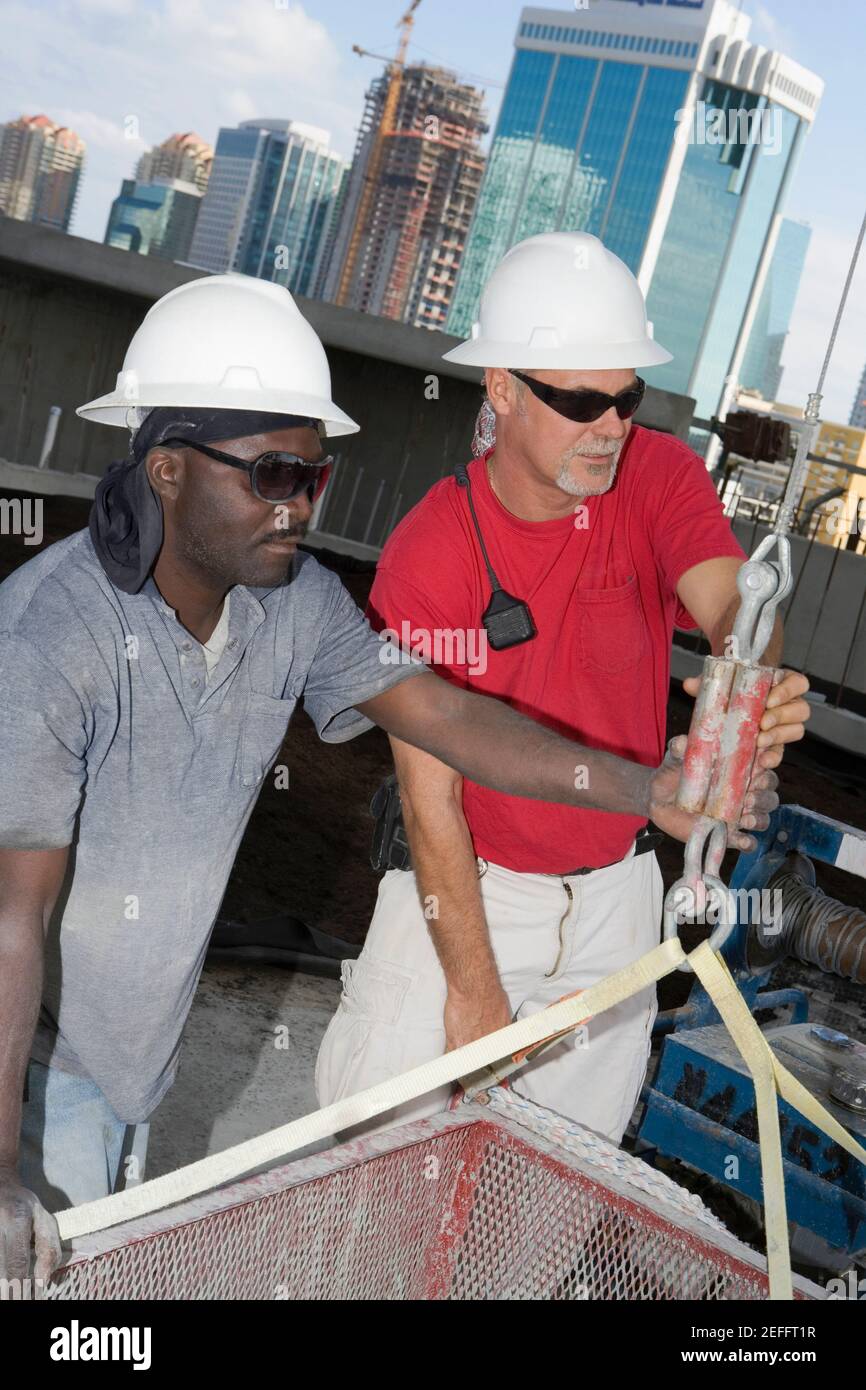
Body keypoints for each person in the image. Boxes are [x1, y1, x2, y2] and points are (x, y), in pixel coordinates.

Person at [0, 270, 762, 1284]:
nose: (302, 506)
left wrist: (644, 790)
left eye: (314, 477)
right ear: (169, 468)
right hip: (37, 1061)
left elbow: (446, 717)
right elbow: (10, 914)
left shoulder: (295, 604)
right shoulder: (53, 635)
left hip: (137, 1054)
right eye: (274, 475)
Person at [316, 232, 809, 1143]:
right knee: (376, 1186)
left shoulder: (657, 474)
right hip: (468, 901)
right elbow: (433, 812)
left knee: (546, 1205)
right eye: (580, 401)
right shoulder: (431, 554)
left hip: (617, 905)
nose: (611, 427)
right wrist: (473, 992)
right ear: (501, 388)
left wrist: (747, 683)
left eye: (627, 400)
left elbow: (734, 602)